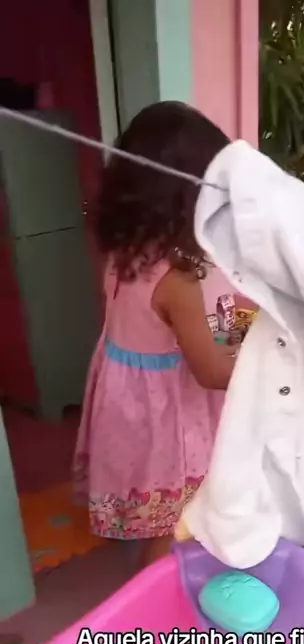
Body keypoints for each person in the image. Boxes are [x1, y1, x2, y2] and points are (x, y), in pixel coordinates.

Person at [73, 101, 236, 566]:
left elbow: (187, 322)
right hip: (169, 418)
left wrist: (237, 320)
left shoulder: (126, 253)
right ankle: (154, 596)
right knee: (177, 522)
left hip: (129, 405)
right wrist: (267, 357)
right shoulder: (178, 279)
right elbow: (211, 371)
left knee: (157, 513)